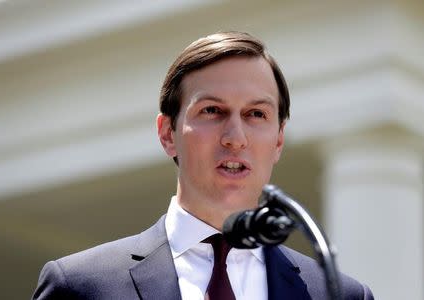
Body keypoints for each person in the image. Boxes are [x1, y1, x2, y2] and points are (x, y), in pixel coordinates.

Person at [32, 31, 374, 299]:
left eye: (256, 114)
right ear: (168, 133)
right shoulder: (79, 286)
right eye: (212, 110)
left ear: (279, 140)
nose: (235, 137)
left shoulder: (340, 294)